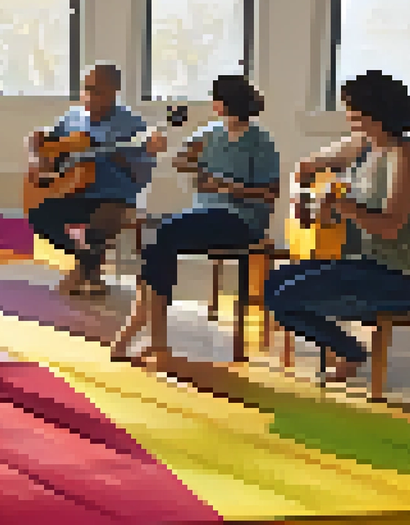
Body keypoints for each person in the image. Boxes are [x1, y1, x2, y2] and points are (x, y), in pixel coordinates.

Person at [264, 70, 410, 384]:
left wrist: (342, 205)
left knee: (287, 297)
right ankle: (350, 350)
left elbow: (391, 226)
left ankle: (350, 352)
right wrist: (303, 200)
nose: (347, 114)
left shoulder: (407, 157)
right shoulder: (363, 146)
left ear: (373, 112)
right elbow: (305, 168)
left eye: (351, 107)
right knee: (274, 284)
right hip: (364, 262)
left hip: (403, 275)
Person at [110, 75, 281, 365]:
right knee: (157, 239)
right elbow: (179, 160)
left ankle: (146, 332)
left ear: (220, 104)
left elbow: (269, 194)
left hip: (242, 221)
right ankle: (150, 334)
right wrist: (198, 166)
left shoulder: (260, 141)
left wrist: (226, 186)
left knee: (162, 236)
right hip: (205, 215)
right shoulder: (211, 132)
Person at [27, 64, 169, 296]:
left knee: (101, 224)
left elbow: (143, 170)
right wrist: (37, 160)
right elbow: (44, 144)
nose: (89, 97)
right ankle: (86, 262)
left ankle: (84, 271)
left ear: (114, 91)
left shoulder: (132, 124)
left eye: (97, 91)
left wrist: (133, 154)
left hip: (115, 197)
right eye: (86, 89)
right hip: (75, 192)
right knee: (39, 213)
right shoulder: (72, 117)